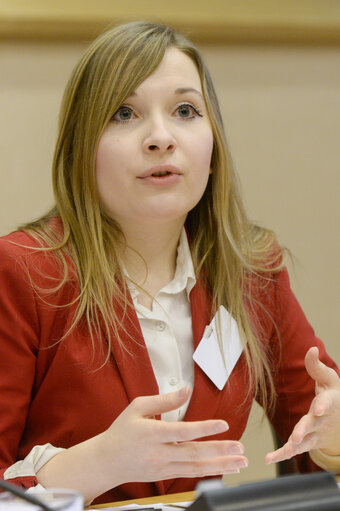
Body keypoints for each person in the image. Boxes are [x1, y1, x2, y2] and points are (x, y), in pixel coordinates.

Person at [0, 20, 339, 506]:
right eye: (123, 113)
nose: (160, 137)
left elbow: (313, 442)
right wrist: (100, 463)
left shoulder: (250, 272)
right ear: (80, 151)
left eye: (185, 110)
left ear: (214, 148)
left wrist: (331, 438)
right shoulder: (22, 272)